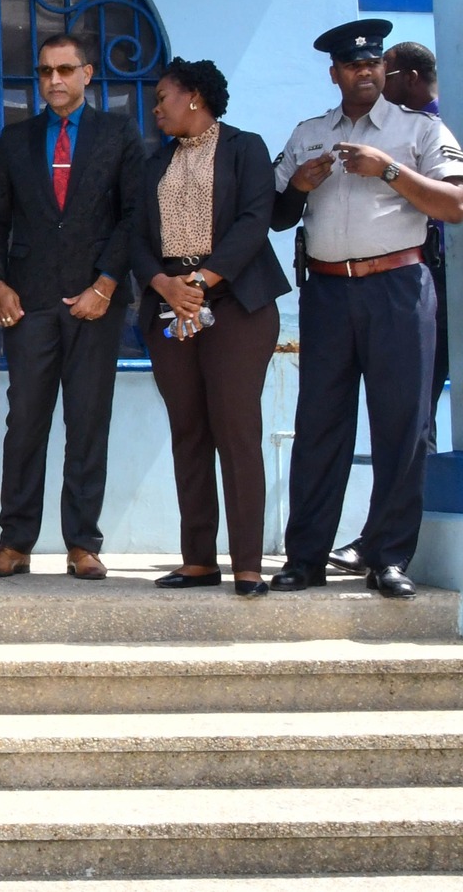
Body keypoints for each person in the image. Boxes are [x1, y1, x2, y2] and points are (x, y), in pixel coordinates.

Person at [271, 19, 463, 599]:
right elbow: (278, 214)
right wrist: (300, 186)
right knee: (319, 426)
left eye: (373, 64)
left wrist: (386, 169)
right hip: (329, 292)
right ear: (335, 74)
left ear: (384, 71)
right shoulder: (310, 133)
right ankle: (305, 558)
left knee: (401, 426)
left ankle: (387, 557)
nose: (364, 71)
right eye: (352, 65)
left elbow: (456, 204)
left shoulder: (419, 131)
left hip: (398, 288)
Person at [0, 31, 145, 581]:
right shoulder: (17, 138)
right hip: (29, 303)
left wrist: (106, 285)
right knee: (25, 423)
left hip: (96, 301)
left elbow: (134, 217)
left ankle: (83, 543)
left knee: (88, 421)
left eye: (66, 70)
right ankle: (15, 541)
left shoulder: (118, 133)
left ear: (87, 74)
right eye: (46, 71)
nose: (55, 81)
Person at [131, 59, 290, 599]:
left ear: (194, 97)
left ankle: (248, 563)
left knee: (237, 431)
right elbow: (132, 236)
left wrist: (200, 280)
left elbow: (254, 220)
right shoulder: (155, 164)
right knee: (189, 432)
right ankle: (198, 559)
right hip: (170, 307)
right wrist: (166, 285)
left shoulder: (245, 148)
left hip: (237, 305)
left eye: (162, 98)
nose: (156, 109)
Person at [383, 41, 449, 429]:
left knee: (419, 398)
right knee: (415, 403)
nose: (376, 83)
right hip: (417, 273)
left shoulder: (438, 129)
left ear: (410, 79)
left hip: (439, 273)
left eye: (384, 74)